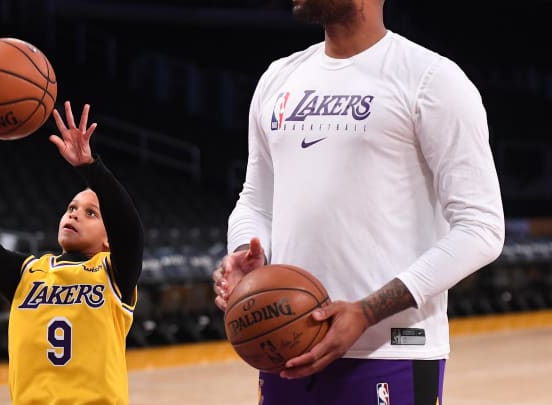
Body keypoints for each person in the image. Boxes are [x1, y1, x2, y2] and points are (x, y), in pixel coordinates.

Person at [212, 1, 505, 404]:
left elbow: (482, 228)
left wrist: (367, 311)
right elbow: (255, 201)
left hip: (392, 351)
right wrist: (247, 251)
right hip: (287, 350)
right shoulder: (278, 78)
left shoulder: (433, 80)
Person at [0, 102, 144, 404]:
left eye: (91, 214)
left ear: (109, 240)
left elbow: (129, 228)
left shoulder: (114, 273)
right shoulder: (28, 272)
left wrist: (90, 167)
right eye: (72, 208)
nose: (74, 215)